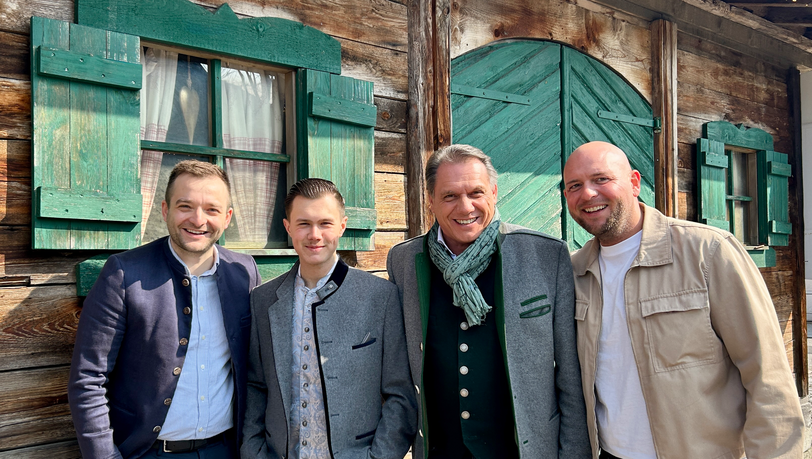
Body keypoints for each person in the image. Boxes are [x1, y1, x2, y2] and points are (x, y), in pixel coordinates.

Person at [562, 141, 804, 459]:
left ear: (634, 183)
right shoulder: (573, 272)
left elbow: (766, 373)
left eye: (601, 179)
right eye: (574, 186)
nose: (588, 194)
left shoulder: (708, 252)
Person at [386, 144, 590, 459]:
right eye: (450, 196)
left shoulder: (546, 255)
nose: (465, 207)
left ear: (493, 193)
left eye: (476, 193)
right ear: (430, 200)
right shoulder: (403, 261)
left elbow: (570, 376)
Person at [68, 160, 261, 459]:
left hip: (227, 450)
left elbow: (255, 369)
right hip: (149, 452)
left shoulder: (245, 271)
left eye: (211, 209)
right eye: (185, 206)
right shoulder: (124, 274)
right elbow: (88, 378)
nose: (198, 219)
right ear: (165, 210)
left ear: (227, 218)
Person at [241, 178, 417, 459]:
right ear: (288, 227)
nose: (314, 235)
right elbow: (256, 387)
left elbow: (401, 394)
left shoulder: (381, 297)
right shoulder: (263, 300)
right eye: (303, 224)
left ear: (342, 226)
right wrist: (254, 452)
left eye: (325, 223)